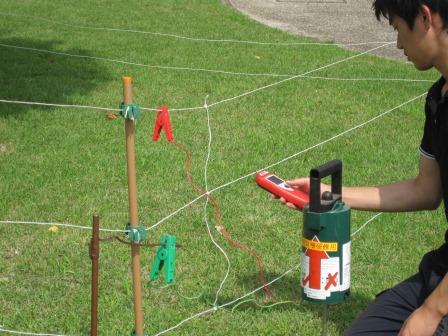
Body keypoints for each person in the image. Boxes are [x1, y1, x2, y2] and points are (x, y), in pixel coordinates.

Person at [280, 1, 448, 334]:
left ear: (425, 18)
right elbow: (425, 191)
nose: (399, 44)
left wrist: (431, 311)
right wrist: (330, 193)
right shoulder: (437, 98)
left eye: (398, 29)